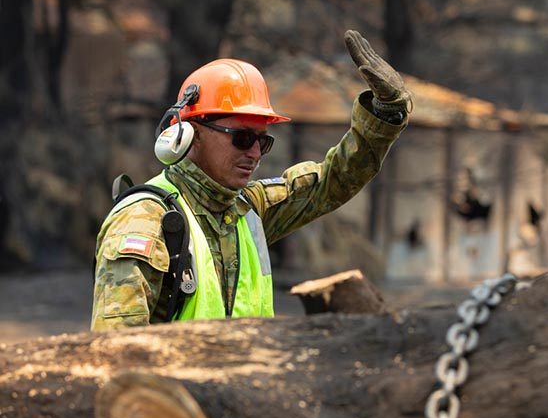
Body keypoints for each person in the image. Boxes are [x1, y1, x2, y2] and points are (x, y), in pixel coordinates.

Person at [91, 30, 411, 330]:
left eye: (263, 141)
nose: (256, 153)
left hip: (251, 387)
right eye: (243, 138)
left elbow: (332, 180)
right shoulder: (143, 220)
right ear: (190, 135)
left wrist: (384, 115)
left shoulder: (247, 209)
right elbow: (115, 350)